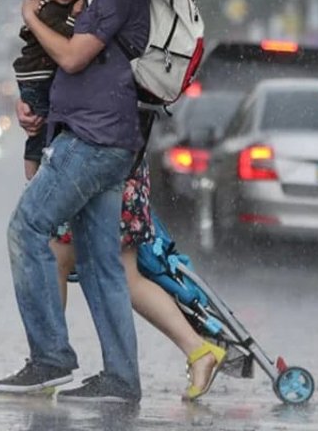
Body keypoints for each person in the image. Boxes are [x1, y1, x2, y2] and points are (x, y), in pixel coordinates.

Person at [0, 0, 149, 404]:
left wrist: (29, 16)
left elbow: (75, 57)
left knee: (26, 228)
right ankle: (121, 379)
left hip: (94, 138)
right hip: (91, 132)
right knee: (102, 263)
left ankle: (51, 356)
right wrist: (35, 108)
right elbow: (62, 67)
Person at [49, 156, 228, 401]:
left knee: (54, 260)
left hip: (96, 164)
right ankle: (198, 351)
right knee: (124, 277)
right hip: (116, 164)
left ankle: (48, 363)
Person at [12, 0, 85, 181]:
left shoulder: (47, 6)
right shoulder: (49, 9)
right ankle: (33, 182)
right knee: (40, 129)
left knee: (43, 129)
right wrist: (74, 16)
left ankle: (36, 181)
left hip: (40, 76)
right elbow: (62, 41)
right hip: (37, 76)